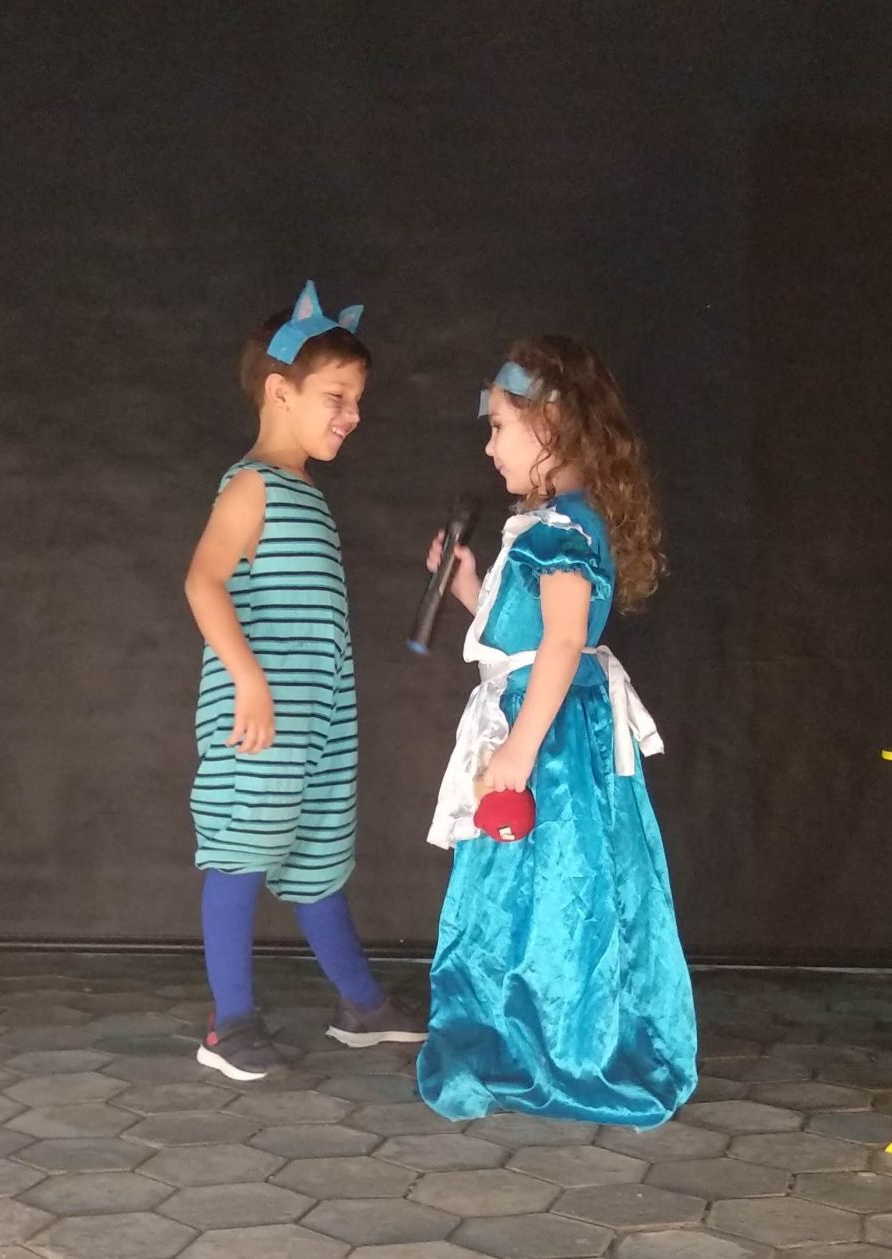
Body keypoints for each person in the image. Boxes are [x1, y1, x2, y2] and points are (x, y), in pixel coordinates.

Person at [416, 336, 697, 1126]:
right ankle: (538, 1030)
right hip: (553, 729)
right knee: (540, 891)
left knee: (557, 893)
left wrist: (518, 748)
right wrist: (472, 589)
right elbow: (530, 634)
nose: (489, 445)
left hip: (554, 746)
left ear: (552, 426)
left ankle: (561, 1043)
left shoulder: (559, 530)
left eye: (500, 425)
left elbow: (565, 641)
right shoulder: (553, 524)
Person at [184, 281, 423, 1081]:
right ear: (279, 391)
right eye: (337, 397)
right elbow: (202, 582)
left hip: (318, 723)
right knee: (241, 851)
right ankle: (228, 1023)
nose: (352, 414)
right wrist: (248, 681)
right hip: (257, 719)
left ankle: (361, 1006)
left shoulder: (306, 493)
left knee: (319, 857)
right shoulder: (250, 485)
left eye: (358, 400)